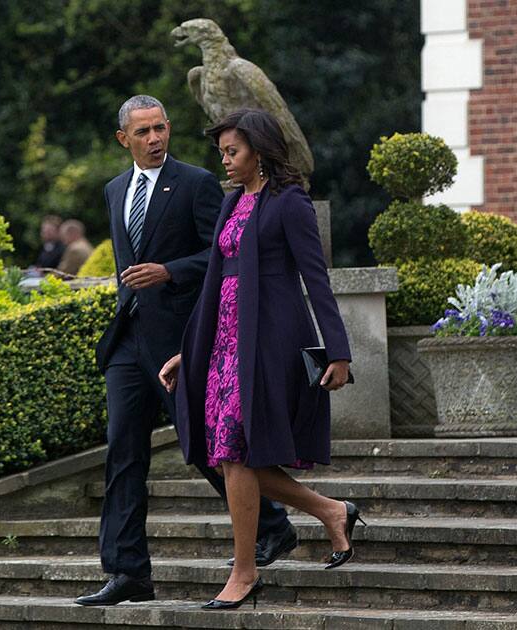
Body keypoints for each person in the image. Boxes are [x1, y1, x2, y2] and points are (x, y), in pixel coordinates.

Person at [74, 95, 297, 607]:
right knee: (122, 455)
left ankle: (272, 525)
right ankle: (128, 572)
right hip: (128, 341)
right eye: (143, 132)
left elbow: (219, 255)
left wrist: (170, 270)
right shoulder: (113, 190)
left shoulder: (197, 183)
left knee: (205, 447)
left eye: (161, 128)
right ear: (123, 139)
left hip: (182, 339)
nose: (154, 139)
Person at [159, 108, 363, 611]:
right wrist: (191, 350)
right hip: (223, 345)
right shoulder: (231, 204)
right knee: (229, 452)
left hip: (268, 341)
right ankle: (333, 512)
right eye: (222, 152)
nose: (225, 161)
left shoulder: (290, 202)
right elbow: (215, 284)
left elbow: (316, 278)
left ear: (260, 150)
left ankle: (244, 571)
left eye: (234, 151)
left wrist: (337, 351)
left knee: (238, 452)